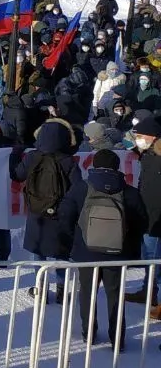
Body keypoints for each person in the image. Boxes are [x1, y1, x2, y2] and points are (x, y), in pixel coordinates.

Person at [57, 149, 149, 349]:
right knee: (114, 293)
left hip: (86, 252)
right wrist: (126, 242)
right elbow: (142, 222)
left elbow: (64, 215)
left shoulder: (81, 188)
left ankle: (88, 333)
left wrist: (76, 240)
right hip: (117, 253)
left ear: (94, 166)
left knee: (87, 292)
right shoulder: (129, 191)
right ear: (117, 167)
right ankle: (117, 339)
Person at [9, 119, 81, 299]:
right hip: (61, 213)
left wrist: (15, 154)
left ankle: (40, 289)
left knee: (38, 251)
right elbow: (77, 187)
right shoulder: (68, 160)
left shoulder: (33, 156)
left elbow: (17, 175)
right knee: (61, 253)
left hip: (36, 211)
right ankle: (62, 290)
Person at [124, 117, 161, 313]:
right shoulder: (147, 154)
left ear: (153, 136)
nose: (137, 139)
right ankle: (148, 291)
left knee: (156, 262)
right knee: (149, 260)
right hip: (147, 217)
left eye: (140, 136)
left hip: (156, 220)